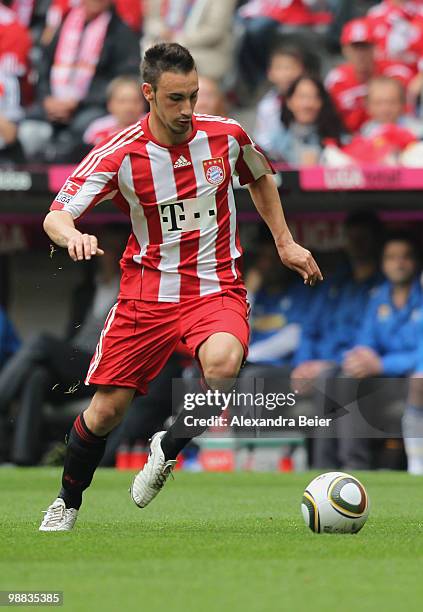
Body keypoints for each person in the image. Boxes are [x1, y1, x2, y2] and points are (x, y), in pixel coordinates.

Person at [39, 42, 322, 531]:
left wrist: (285, 242)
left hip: (214, 287)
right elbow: (56, 215)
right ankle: (66, 502)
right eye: (175, 99)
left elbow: (260, 176)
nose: (188, 109)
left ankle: (167, 448)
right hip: (146, 294)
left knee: (223, 365)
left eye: (193, 96)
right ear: (148, 94)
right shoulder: (120, 152)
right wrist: (74, 236)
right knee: (106, 412)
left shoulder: (226, 136)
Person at [0, 225, 124, 465]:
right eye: (104, 249)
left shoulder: (129, 290)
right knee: (38, 374)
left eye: (112, 250)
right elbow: (71, 336)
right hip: (75, 364)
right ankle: (22, 458)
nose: (106, 255)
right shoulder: (85, 291)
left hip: (102, 364)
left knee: (41, 342)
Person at [18, 0, 140, 162]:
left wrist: (78, 101)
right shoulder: (64, 23)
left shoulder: (121, 32)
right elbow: (44, 67)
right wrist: (47, 98)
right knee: (28, 126)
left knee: (83, 128)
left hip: (93, 106)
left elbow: (122, 80)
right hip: (53, 105)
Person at [325, 17, 414, 133]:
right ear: (344, 50)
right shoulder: (336, 79)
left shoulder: (396, 72)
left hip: (396, 134)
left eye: (365, 47)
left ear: (375, 47)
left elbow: (408, 114)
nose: (360, 54)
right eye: (355, 48)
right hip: (351, 138)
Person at [142, 0, 237, 82]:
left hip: (204, 51)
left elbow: (214, 32)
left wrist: (175, 39)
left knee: (170, 66)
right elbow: (151, 21)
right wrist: (161, 31)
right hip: (163, 44)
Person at [254, 42, 320, 154]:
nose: (286, 74)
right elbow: (262, 140)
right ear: (270, 73)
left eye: (290, 67)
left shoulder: (315, 95)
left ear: (302, 70)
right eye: (279, 68)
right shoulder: (266, 106)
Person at [264, 75, 345, 165]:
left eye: (313, 97)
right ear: (289, 101)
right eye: (301, 97)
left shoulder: (339, 138)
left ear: (322, 102)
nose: (307, 104)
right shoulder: (275, 141)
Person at [83, 75, 147, 147]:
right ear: (109, 104)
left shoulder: (152, 127)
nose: (129, 107)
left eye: (135, 101)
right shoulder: (97, 130)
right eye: (122, 101)